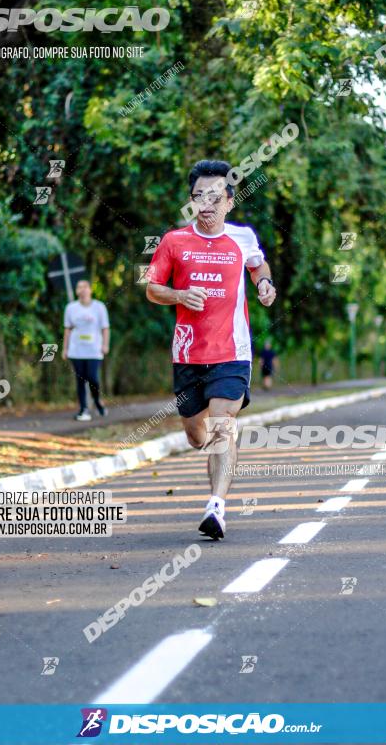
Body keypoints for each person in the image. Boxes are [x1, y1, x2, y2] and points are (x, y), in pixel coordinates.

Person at [145, 159, 276, 540]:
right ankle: (210, 458)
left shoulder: (243, 237)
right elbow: (152, 288)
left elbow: (258, 266)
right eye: (200, 196)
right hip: (188, 354)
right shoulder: (174, 241)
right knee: (195, 433)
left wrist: (265, 284)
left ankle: (216, 507)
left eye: (215, 197)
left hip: (232, 351)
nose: (207, 203)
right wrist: (181, 294)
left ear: (229, 202)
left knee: (223, 424)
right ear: (191, 201)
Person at [62, 279, 110, 420]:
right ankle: (83, 409)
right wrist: (65, 349)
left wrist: (105, 345)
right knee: (80, 380)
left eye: (85, 287)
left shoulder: (99, 307)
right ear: (76, 291)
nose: (82, 290)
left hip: (94, 350)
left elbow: (105, 328)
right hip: (76, 350)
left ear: (90, 290)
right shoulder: (70, 308)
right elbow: (68, 329)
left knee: (93, 378)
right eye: (79, 287)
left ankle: (96, 401)